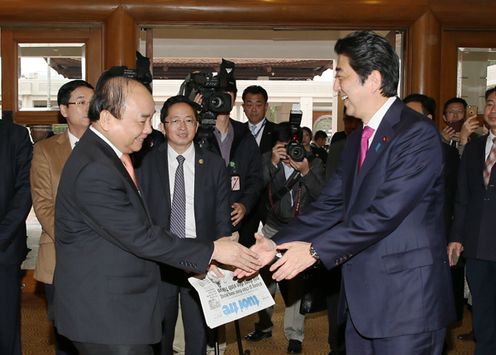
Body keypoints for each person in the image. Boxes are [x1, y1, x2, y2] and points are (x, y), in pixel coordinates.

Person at [240, 31, 456, 355]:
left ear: (373, 79)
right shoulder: (358, 139)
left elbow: (383, 214)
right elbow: (331, 204)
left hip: (406, 304)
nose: (335, 86)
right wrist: (276, 242)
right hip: (361, 302)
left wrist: (313, 251)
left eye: (341, 75)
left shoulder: (416, 135)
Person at [53, 74, 261, 355]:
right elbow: (140, 235)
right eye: (142, 120)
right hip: (107, 316)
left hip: (117, 308)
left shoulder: (106, 156)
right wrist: (212, 250)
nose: (149, 130)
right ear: (107, 118)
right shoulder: (97, 169)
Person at [135, 95, 231, 355]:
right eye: (175, 120)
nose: (182, 126)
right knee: (160, 329)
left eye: (189, 120)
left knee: (198, 330)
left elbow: (222, 217)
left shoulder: (213, 164)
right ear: (163, 125)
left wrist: (219, 256)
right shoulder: (144, 163)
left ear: (197, 126)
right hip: (160, 258)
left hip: (200, 258)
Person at [245, 123, 325, 354]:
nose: (289, 151)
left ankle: (294, 335)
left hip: (302, 231)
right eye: (282, 147)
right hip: (273, 228)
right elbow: (256, 185)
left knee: (296, 285)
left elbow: (324, 196)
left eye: (293, 146)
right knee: (264, 280)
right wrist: (272, 162)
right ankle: (264, 324)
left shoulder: (313, 162)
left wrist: (306, 171)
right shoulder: (268, 160)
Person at [31, 79, 94, 355]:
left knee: (102, 331)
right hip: (61, 253)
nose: (88, 107)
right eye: (81, 102)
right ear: (63, 110)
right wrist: (74, 240)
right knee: (66, 336)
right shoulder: (45, 150)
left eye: (93, 101)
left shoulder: (113, 147)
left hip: (106, 256)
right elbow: (43, 203)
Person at [448, 86, 496, 355]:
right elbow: (462, 197)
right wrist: (456, 236)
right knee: (484, 317)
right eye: (489, 104)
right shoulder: (474, 147)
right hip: (477, 247)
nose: (493, 110)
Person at [0, 119, 32, 355]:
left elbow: (24, 191)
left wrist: (2, 235)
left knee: (5, 324)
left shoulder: (16, 136)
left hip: (4, 247)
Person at [241, 85, 277, 247]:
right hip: (245, 200)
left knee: (273, 247)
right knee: (244, 246)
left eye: (258, 104)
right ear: (243, 107)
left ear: (266, 107)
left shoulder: (277, 132)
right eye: (249, 104)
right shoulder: (237, 132)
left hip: (271, 200)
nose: (253, 109)